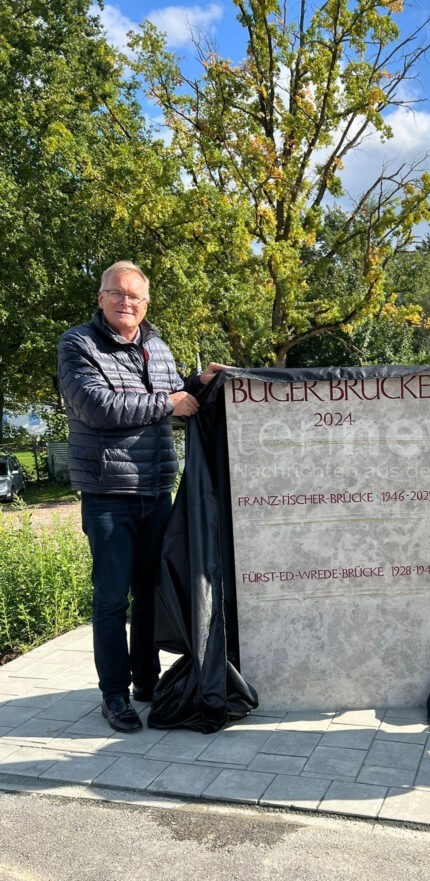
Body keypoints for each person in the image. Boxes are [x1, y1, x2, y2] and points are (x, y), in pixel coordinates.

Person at [58, 261, 226, 733]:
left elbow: (175, 399)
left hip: (155, 490)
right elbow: (97, 407)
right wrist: (168, 402)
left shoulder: (157, 346)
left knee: (151, 594)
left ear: (146, 303)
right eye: (117, 293)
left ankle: (147, 685)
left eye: (135, 296)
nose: (126, 302)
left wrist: (199, 384)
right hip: (108, 493)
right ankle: (114, 695)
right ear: (101, 298)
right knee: (112, 600)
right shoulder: (77, 344)